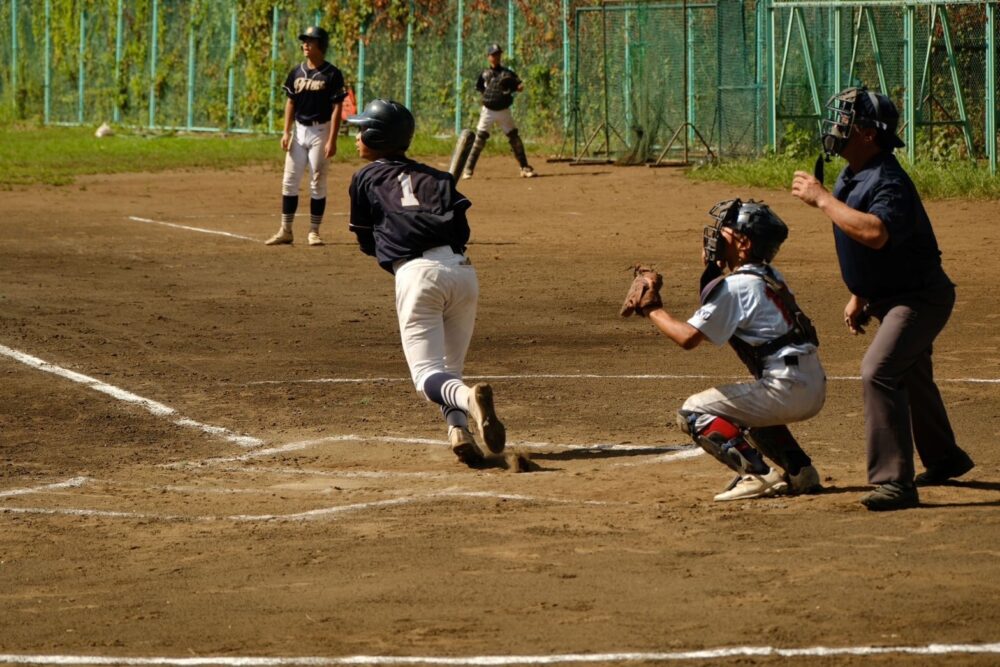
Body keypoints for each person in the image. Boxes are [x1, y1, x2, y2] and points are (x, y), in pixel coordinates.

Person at [791, 87, 972, 511]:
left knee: (878, 371)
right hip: (890, 297)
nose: (836, 127)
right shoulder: (854, 172)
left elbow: (875, 233)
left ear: (870, 134)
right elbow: (867, 243)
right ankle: (945, 458)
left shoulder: (886, 179)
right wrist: (860, 295)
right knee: (910, 374)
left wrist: (821, 199)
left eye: (846, 120)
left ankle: (895, 481)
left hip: (920, 299)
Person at [622, 199, 826, 502]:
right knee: (744, 410)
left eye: (724, 230)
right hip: (810, 383)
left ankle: (756, 475)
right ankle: (799, 469)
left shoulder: (738, 286)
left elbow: (688, 338)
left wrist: (652, 308)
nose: (716, 235)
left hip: (786, 386)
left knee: (694, 412)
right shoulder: (769, 276)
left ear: (743, 243)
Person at [345, 98, 506, 466]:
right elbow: (462, 229)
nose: (355, 137)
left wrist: (397, 257)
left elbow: (366, 240)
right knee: (449, 370)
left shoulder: (365, 178)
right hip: (462, 272)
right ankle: (458, 431)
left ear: (375, 135)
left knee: (427, 376)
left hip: (417, 275)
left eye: (360, 130)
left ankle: (468, 402)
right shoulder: (439, 178)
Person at [266, 26, 347, 247]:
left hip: (321, 131)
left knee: (317, 181)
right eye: (304, 41)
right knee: (289, 181)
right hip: (299, 131)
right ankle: (286, 230)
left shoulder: (332, 73)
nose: (305, 45)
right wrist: (286, 131)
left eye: (310, 41)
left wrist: (333, 139)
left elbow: (337, 107)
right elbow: (290, 102)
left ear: (321, 45)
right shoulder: (296, 72)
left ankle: (314, 231)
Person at [461, 43, 536, 180]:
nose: (496, 57)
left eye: (498, 54)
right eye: (493, 54)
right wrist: (487, 96)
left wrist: (518, 87)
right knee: (479, 140)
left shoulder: (507, 73)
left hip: (504, 111)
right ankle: (468, 169)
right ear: (488, 57)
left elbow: (519, 85)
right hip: (488, 111)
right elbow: (479, 88)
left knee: (514, 138)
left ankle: (524, 167)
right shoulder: (484, 74)